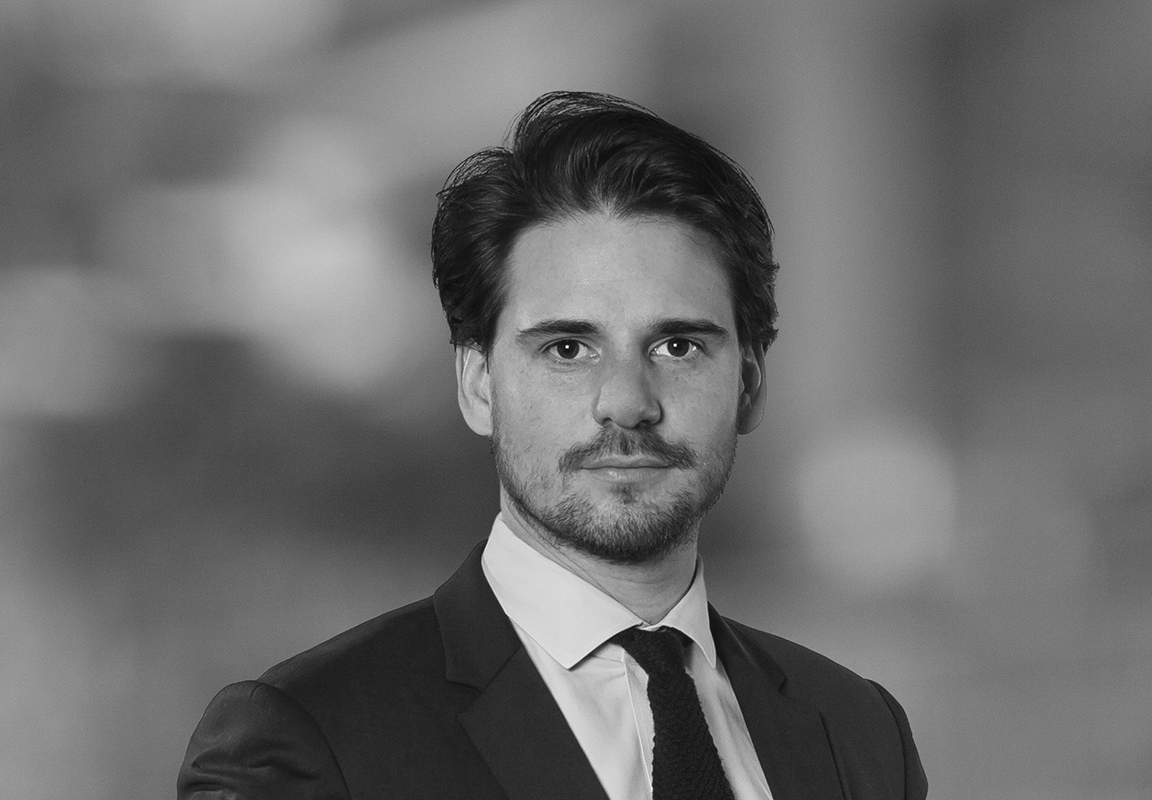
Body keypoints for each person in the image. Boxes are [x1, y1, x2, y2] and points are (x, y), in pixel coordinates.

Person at [177, 91, 928, 800]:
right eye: (568, 349)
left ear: (751, 384)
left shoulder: (857, 733)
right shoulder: (313, 734)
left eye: (677, 346)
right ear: (478, 384)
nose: (627, 402)